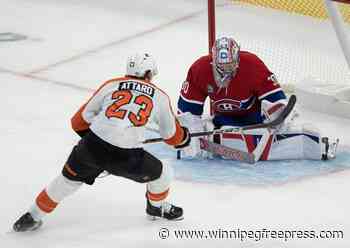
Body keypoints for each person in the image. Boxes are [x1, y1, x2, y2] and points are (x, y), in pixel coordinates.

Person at [13, 53, 191, 232]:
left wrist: (97, 146)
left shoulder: (111, 85)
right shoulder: (160, 96)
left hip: (91, 147)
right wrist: (184, 138)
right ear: (147, 74)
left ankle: (31, 216)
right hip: (127, 157)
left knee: (65, 182)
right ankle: (156, 208)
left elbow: (78, 121)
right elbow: (172, 136)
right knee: (164, 173)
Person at [177, 37, 338, 161]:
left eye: (230, 66)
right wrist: (189, 136)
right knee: (202, 138)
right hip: (223, 122)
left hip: (257, 120)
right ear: (213, 61)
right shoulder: (199, 70)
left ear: (237, 60)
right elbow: (186, 113)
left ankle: (318, 146)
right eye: (221, 67)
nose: (225, 72)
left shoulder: (252, 65)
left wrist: (278, 116)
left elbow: (276, 100)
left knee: (279, 135)